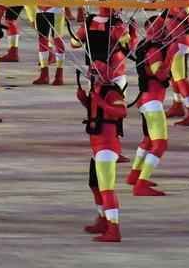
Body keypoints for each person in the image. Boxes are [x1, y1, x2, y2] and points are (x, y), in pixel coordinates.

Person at [126, 13, 175, 196]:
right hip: (153, 102)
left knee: (147, 140)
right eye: (163, 27)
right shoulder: (154, 50)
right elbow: (160, 74)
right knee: (160, 144)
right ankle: (141, 184)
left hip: (146, 100)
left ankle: (134, 174)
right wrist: (171, 54)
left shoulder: (144, 45)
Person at [79, 62, 127, 243]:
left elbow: (121, 112)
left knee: (106, 188)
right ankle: (103, 219)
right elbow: (97, 113)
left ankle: (114, 229)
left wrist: (101, 103)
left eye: (94, 74)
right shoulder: (96, 91)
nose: (91, 77)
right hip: (97, 146)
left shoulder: (111, 92)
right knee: (94, 184)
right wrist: (85, 100)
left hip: (107, 146)